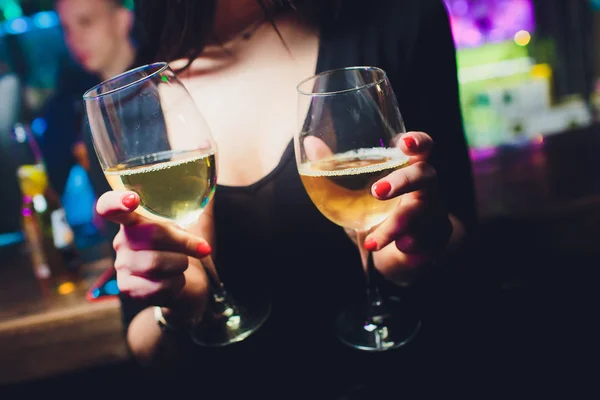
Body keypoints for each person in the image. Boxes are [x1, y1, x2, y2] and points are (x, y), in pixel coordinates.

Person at [96, 0, 477, 397]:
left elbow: (466, 237)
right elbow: (146, 348)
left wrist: (411, 255)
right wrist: (176, 303)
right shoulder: (125, 106)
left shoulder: (401, 22)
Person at [39, 0, 135, 207]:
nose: (75, 39)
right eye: (66, 29)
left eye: (86, 22)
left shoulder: (162, 87)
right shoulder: (70, 106)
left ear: (122, 20)